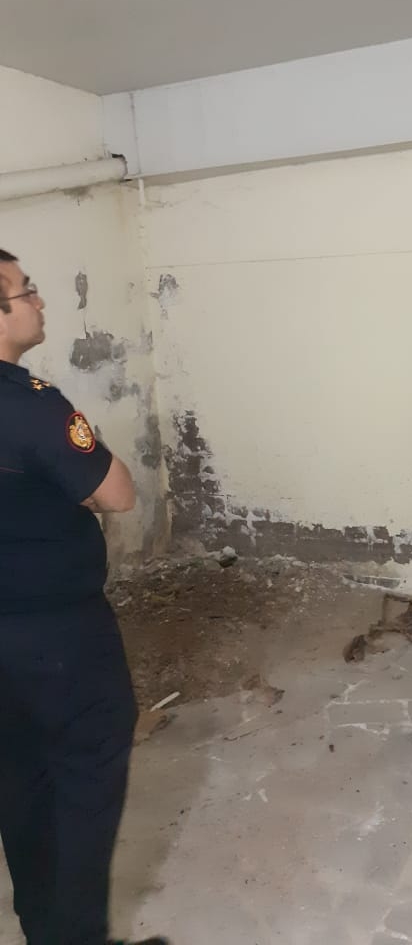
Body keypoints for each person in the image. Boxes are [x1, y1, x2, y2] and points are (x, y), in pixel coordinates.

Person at [0, 248, 169, 945]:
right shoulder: (28, 404)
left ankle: (44, 929)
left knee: (20, 778)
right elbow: (117, 492)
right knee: (84, 779)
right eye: (24, 290)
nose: (39, 300)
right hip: (56, 637)